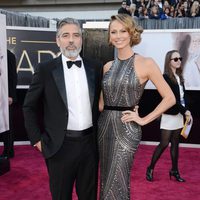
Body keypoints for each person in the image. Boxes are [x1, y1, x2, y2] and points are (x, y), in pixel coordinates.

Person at [98, 14, 175, 200]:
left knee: (119, 179)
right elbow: (101, 105)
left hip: (127, 128)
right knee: (106, 178)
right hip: (103, 128)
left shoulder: (146, 63)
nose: (118, 36)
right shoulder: (107, 66)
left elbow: (170, 98)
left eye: (123, 31)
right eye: (113, 32)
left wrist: (143, 119)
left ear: (131, 33)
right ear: (109, 36)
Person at [23, 18, 102, 200]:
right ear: (57, 40)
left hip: (90, 146)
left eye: (76, 35)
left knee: (89, 196)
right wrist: (37, 140)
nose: (71, 40)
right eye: (65, 35)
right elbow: (29, 107)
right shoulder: (45, 69)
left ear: (82, 39)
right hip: (59, 147)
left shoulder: (95, 67)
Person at [146, 50, 192, 182]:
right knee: (164, 143)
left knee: (176, 144)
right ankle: (150, 167)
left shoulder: (180, 77)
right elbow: (172, 99)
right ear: (169, 61)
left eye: (179, 58)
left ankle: (174, 170)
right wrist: (184, 111)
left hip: (179, 114)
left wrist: (186, 110)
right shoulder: (165, 78)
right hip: (169, 114)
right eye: (175, 59)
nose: (178, 61)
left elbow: (183, 98)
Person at [0, 49, 17, 158]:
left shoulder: (9, 55)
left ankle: (9, 151)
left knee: (7, 124)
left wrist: (11, 95)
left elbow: (13, 77)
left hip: (5, 96)